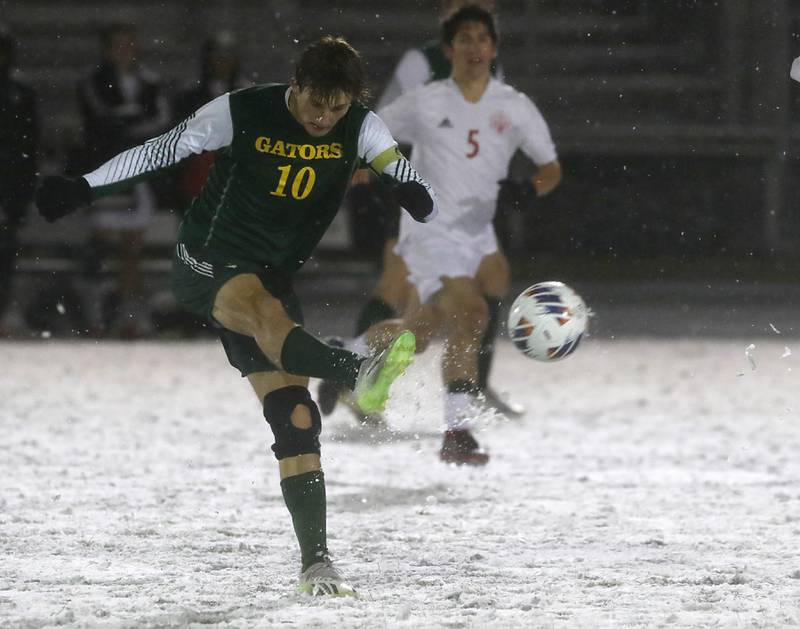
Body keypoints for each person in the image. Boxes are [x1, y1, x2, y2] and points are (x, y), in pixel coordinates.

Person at [35, 36, 437, 596]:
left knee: (296, 420)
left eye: (337, 108)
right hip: (208, 258)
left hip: (271, 273)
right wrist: (83, 186)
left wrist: (413, 191)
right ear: (295, 86)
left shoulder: (361, 125)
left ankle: (317, 565)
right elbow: (161, 150)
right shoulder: (243, 110)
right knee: (270, 322)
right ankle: (355, 372)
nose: (324, 117)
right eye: (315, 103)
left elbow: (400, 167)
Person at [330, 6, 561, 465]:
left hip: (476, 234)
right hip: (428, 227)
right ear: (448, 48)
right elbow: (370, 131)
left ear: (494, 48)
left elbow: (551, 169)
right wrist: (361, 168)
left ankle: (346, 355)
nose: (474, 47)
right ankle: (458, 429)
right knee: (472, 312)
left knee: (425, 328)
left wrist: (527, 191)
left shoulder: (513, 105)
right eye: (465, 38)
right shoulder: (427, 99)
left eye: (483, 38)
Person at [77, 23, 171, 337]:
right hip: (107, 169)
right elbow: (101, 120)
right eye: (118, 45)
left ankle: (126, 313)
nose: (125, 50)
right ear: (107, 49)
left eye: (129, 44)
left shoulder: (150, 82)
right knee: (102, 245)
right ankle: (97, 313)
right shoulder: (93, 81)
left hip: (139, 171)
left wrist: (129, 123)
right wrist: (131, 121)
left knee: (132, 248)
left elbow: (161, 121)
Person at [0, 25, 38, 335]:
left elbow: (29, 143)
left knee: (5, 251)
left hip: (9, 182)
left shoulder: (20, 92)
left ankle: (2, 308)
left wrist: (23, 191)